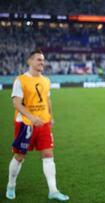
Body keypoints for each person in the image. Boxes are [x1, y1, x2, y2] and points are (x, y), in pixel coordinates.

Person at [5, 49, 69, 201]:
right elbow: (16, 103)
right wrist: (31, 117)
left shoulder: (46, 80)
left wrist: (51, 117)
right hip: (25, 124)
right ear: (30, 61)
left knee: (48, 155)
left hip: (44, 123)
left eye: (43, 60)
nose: (42, 62)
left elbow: (47, 100)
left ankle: (53, 190)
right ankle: (11, 185)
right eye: (39, 59)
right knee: (19, 156)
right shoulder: (20, 80)